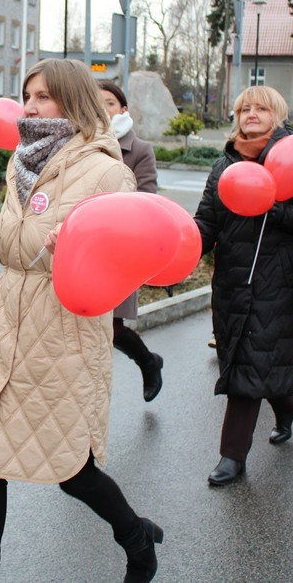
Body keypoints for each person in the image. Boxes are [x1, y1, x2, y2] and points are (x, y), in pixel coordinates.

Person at [0, 58, 164, 582]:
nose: (30, 107)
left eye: (43, 96)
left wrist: (80, 249)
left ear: (72, 99)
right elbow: (14, 251)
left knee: (73, 471)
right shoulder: (22, 163)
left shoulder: (108, 172)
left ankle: (137, 538)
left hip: (61, 341)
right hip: (8, 333)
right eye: (27, 95)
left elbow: (120, 261)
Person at [193, 86, 293, 486]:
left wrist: (273, 207)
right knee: (251, 359)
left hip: (279, 283)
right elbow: (207, 221)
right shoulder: (223, 165)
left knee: (249, 363)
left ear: (278, 115)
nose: (251, 114)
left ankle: (232, 456)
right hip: (231, 281)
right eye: (244, 109)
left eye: (261, 108)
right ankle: (286, 407)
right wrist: (182, 251)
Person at [97, 80, 163, 401]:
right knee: (85, 324)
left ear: (123, 109)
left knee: (111, 326)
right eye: (96, 102)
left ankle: (148, 363)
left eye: (109, 103)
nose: (103, 108)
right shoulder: (79, 142)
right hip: (84, 245)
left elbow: (147, 197)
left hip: (120, 247)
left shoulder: (139, 149)